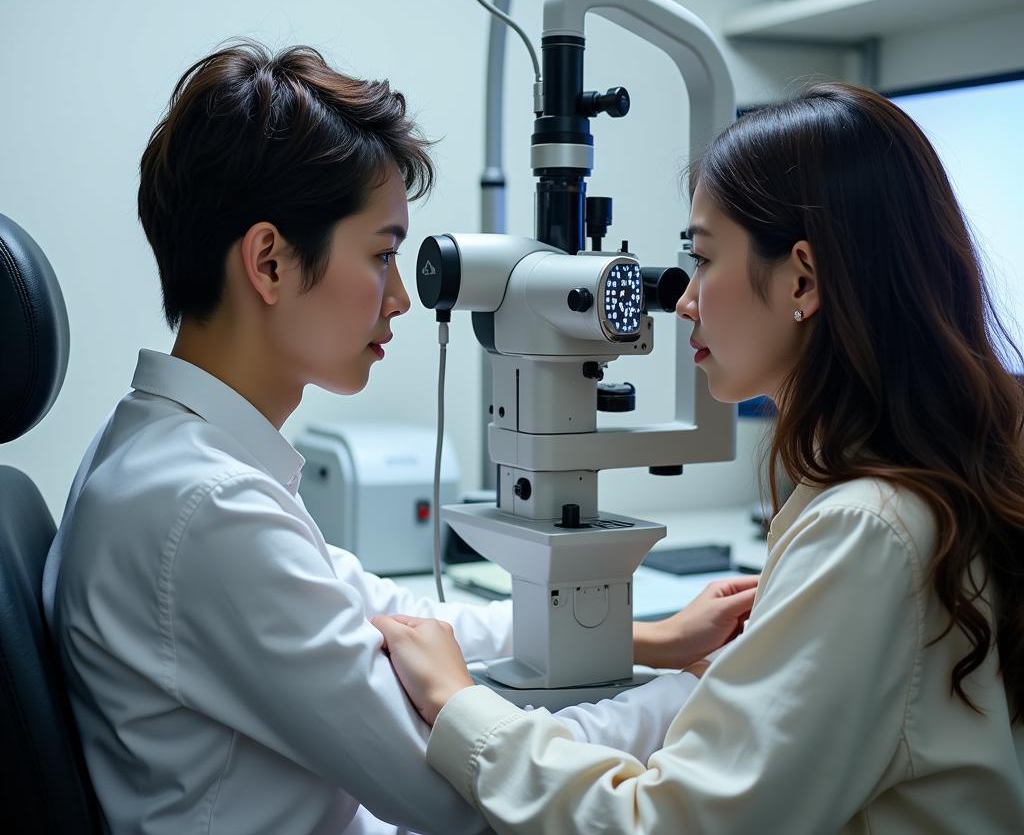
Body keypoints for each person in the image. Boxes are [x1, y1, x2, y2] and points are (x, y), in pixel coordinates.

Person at [41, 41, 758, 835]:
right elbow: (455, 792)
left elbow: (397, 616)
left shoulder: (166, 452)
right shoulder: (204, 507)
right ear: (270, 262)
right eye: (382, 255)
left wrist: (646, 640)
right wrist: (711, 696)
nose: (400, 301)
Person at [374, 82, 1024, 833]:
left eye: (704, 259)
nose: (684, 300)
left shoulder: (868, 532)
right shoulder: (921, 488)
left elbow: (665, 826)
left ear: (802, 280)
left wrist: (461, 709)